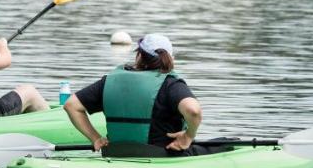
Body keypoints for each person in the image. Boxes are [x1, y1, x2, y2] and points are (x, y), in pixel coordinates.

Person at [63, 34, 216, 156]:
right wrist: (189, 136)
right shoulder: (171, 84)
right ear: (170, 59)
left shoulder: (110, 81)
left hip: (116, 154)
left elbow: (71, 105)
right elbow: (193, 111)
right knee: (226, 144)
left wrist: (95, 138)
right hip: (162, 157)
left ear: (139, 57)